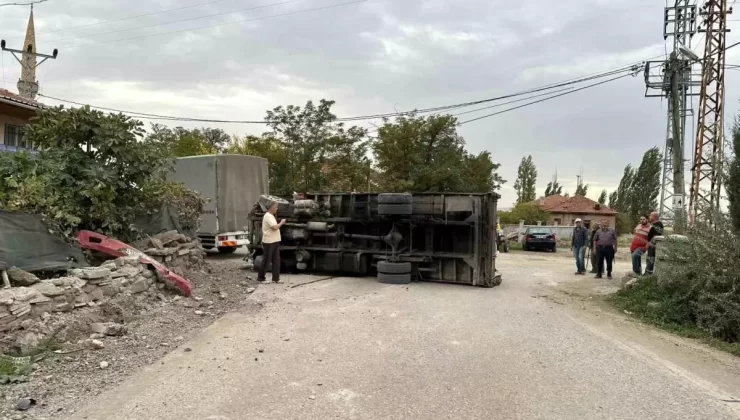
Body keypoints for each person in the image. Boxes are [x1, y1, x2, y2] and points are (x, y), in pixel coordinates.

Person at [257, 201, 286, 283]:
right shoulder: (268, 216)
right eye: (276, 207)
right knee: (266, 260)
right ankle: (261, 278)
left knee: (276, 260)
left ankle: (275, 278)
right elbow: (275, 227)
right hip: (269, 242)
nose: (277, 209)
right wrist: (282, 222)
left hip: (275, 241)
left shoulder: (271, 216)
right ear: (272, 208)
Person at [644, 211, 664, 275]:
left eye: (650, 216)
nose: (649, 217)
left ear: (654, 217)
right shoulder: (655, 224)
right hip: (651, 244)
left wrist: (649, 243)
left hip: (653, 245)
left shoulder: (658, 224)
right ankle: (647, 272)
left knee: (651, 259)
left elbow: (656, 235)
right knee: (649, 259)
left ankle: (648, 273)